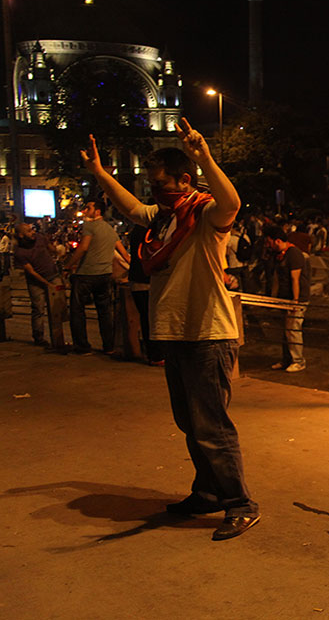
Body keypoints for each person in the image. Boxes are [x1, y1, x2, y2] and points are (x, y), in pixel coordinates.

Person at [80, 119, 259, 541]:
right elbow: (129, 207)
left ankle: (240, 503)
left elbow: (231, 201)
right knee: (189, 423)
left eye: (161, 185)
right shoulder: (164, 218)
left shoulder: (203, 214)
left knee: (211, 426)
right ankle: (207, 492)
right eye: (150, 186)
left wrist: (205, 157)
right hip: (176, 333)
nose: (154, 193)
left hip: (207, 334)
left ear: (185, 180)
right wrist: (99, 173)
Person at [64, 199, 128, 355]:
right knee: (104, 312)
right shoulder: (110, 229)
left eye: (88, 207)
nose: (85, 210)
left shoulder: (89, 226)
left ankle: (82, 346)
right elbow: (124, 254)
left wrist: (68, 265)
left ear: (97, 212)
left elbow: (83, 247)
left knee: (77, 311)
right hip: (105, 275)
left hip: (86, 274)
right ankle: (109, 346)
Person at [264, 225, 309, 372]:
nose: (267, 245)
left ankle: (298, 360)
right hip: (284, 299)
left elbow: (295, 278)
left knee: (293, 330)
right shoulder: (279, 255)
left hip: (296, 300)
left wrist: (295, 301)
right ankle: (287, 359)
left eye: (269, 242)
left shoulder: (294, 253)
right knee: (286, 331)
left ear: (277, 241)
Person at [12, 223, 61, 346]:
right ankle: (39, 337)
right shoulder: (19, 251)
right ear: (21, 235)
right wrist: (47, 284)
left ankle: (58, 337)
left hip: (53, 275)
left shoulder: (39, 238)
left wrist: (57, 252)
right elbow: (31, 272)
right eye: (28, 231)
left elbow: (51, 249)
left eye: (32, 229)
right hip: (36, 282)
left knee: (57, 307)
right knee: (38, 309)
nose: (32, 232)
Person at [127, 222, 163, 366]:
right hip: (147, 278)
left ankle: (154, 354)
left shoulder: (138, 229)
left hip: (139, 278)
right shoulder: (151, 231)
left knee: (147, 318)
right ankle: (156, 354)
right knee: (151, 319)